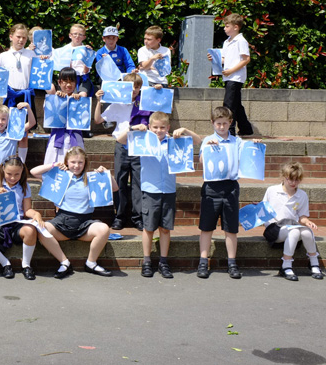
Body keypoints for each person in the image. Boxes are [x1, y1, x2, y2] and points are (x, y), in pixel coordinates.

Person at [116, 112, 201, 279]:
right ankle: (147, 261)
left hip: (168, 190)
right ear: (149, 127)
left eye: (162, 127)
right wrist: (134, 128)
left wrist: (185, 130)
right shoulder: (143, 140)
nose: (158, 130)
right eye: (155, 127)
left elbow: (198, 141)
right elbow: (120, 140)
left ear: (168, 127)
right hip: (150, 190)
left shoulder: (174, 141)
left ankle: (163, 261)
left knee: (165, 229)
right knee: (148, 228)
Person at [0, 156, 72, 279]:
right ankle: (5, 264)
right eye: (9, 174)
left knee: (30, 230)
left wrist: (36, 214)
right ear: (3, 169)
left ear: (22, 171)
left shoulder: (24, 186)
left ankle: (26, 265)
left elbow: (27, 210)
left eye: (17, 174)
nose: (13, 178)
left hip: (17, 222)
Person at [197, 106, 262, 279]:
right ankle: (203, 261)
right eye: (218, 123)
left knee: (231, 228)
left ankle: (232, 263)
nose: (221, 127)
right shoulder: (208, 140)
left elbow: (248, 153)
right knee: (206, 227)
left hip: (230, 187)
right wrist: (208, 148)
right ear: (212, 123)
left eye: (225, 123)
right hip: (211, 188)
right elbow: (202, 161)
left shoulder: (237, 141)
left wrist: (254, 144)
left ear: (230, 123)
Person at [36, 146, 118, 277]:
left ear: (85, 163)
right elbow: (34, 172)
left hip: (85, 224)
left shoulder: (91, 178)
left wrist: (106, 174)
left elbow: (114, 188)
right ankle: (64, 263)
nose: (76, 165)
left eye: (80, 162)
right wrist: (54, 165)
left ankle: (91, 263)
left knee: (104, 229)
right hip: (62, 221)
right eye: (73, 162)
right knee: (41, 229)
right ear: (67, 162)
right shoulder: (60, 176)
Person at [93, 72, 153, 231]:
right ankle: (119, 217)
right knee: (120, 181)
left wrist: (158, 91)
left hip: (139, 145)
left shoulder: (145, 102)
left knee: (138, 182)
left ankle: (137, 217)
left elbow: (162, 108)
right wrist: (99, 101)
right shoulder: (117, 103)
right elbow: (98, 120)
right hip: (122, 145)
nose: (134, 90)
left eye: (137, 87)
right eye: (131, 87)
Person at [261, 162, 322, 281]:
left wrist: (307, 222)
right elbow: (263, 210)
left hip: (292, 226)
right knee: (294, 231)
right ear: (283, 177)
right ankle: (286, 266)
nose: (293, 183)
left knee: (306, 231)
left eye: (297, 180)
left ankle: (314, 264)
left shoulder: (302, 195)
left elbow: (302, 217)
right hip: (274, 228)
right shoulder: (272, 190)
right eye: (290, 179)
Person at [0, 23, 40, 160]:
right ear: (11, 37)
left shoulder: (31, 54)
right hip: (10, 95)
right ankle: (7, 162)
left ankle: (22, 164)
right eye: (18, 37)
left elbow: (41, 71)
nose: (21, 40)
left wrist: (43, 61)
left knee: (23, 133)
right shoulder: (3, 56)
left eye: (24, 37)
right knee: (7, 130)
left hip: (25, 95)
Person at [208, 14, 253, 136]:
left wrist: (231, 71)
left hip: (236, 77)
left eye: (227, 26)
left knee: (229, 104)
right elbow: (224, 59)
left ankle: (230, 131)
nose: (224, 28)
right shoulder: (226, 42)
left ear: (236, 27)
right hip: (228, 76)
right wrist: (214, 59)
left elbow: (246, 59)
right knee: (236, 104)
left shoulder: (241, 41)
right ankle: (246, 128)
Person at [42, 67, 91, 165]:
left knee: (76, 167)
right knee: (54, 166)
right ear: (59, 82)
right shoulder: (54, 98)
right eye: (65, 81)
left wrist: (79, 100)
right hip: (57, 139)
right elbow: (47, 111)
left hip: (75, 138)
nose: (68, 85)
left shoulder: (79, 100)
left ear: (75, 83)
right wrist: (56, 98)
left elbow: (84, 117)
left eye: (72, 81)